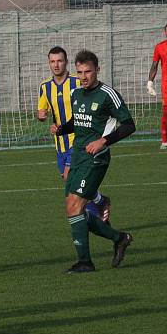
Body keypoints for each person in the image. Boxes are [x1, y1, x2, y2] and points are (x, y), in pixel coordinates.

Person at [51, 50, 134, 273]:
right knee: (74, 210)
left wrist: (103, 141)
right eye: (79, 72)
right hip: (77, 157)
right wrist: (61, 129)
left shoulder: (108, 94)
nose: (84, 76)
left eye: (88, 71)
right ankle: (119, 238)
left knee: (75, 206)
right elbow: (77, 123)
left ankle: (85, 262)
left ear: (97, 69)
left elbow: (129, 125)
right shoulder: (77, 94)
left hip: (96, 159)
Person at [38, 46, 111, 222]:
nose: (56, 65)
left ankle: (91, 217)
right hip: (60, 143)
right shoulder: (45, 87)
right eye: (52, 61)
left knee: (73, 181)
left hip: (78, 141)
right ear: (49, 63)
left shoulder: (77, 82)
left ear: (66, 62)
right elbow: (42, 110)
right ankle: (100, 203)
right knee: (68, 180)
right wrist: (42, 116)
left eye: (60, 61)